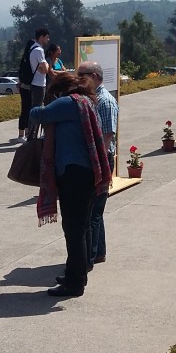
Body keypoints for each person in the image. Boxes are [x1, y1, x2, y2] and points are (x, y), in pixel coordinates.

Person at [31, 71, 111, 298]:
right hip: (86, 173)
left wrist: (45, 101)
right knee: (82, 226)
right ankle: (77, 273)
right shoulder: (86, 101)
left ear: (61, 89)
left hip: (73, 174)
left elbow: (37, 114)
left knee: (73, 230)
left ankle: (74, 284)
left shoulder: (67, 103)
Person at [77, 61, 117, 272]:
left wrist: (97, 164)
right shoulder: (91, 99)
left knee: (93, 211)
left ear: (93, 76)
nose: (78, 78)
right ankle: (98, 251)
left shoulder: (105, 101)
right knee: (95, 211)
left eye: (81, 74)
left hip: (101, 160)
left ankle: (90, 257)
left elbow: (108, 135)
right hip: (97, 159)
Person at [17, 28, 50, 143]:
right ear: (41, 37)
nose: (48, 39)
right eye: (46, 37)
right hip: (39, 84)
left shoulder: (31, 48)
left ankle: (31, 134)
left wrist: (43, 66)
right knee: (36, 110)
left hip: (34, 83)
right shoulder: (39, 50)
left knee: (34, 109)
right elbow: (45, 69)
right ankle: (32, 136)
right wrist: (45, 65)